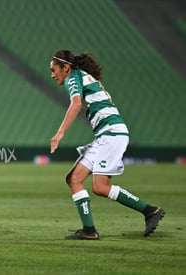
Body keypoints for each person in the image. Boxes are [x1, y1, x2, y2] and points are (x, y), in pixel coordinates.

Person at [49, 49, 164, 240]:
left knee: (100, 187)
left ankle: (150, 211)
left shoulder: (73, 77)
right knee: (74, 179)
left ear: (66, 68)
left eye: (54, 70)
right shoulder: (82, 76)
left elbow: (76, 104)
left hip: (111, 134)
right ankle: (89, 230)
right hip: (106, 135)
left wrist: (60, 133)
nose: (52, 75)